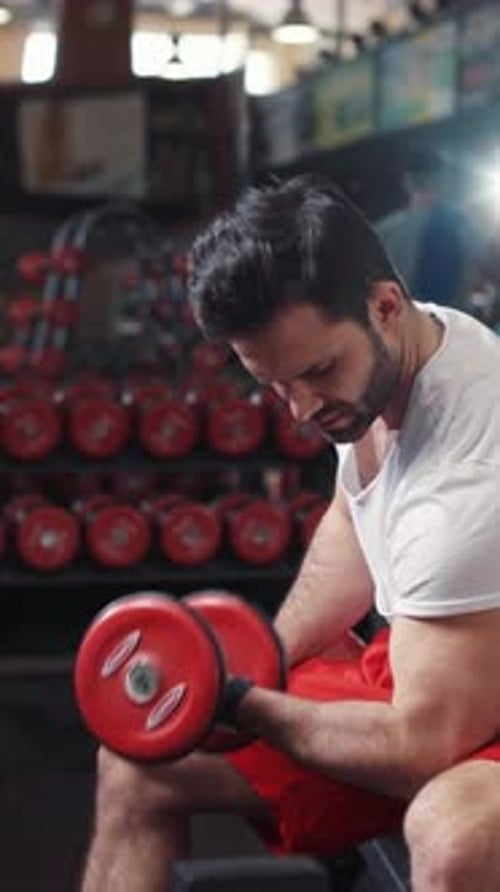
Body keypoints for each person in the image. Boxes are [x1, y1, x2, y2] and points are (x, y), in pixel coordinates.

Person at [81, 175, 500, 892]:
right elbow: (352, 518)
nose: (301, 410)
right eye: (276, 384)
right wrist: (264, 657)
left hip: (452, 704)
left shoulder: (465, 481)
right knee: (140, 758)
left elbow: (421, 744)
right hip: (440, 662)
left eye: (317, 373)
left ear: (385, 306)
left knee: (453, 833)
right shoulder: (398, 351)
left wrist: (240, 701)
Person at [375, 149, 484, 310]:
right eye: (421, 177)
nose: (425, 181)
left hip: (438, 315)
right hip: (422, 315)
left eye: (429, 177)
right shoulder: (387, 230)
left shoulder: (465, 227)